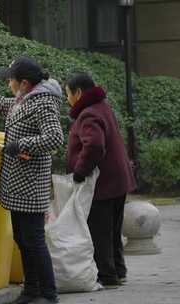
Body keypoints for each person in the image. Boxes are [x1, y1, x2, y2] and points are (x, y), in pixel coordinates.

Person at [0, 57, 63, 304]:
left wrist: (21, 144)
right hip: (18, 184)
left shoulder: (43, 103)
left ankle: (49, 294)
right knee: (22, 237)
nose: (8, 83)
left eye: (10, 79)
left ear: (24, 83)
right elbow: (3, 104)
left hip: (30, 183)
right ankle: (32, 290)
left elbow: (55, 138)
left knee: (34, 240)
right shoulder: (23, 100)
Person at [64, 72, 136, 288]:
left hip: (103, 183)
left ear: (77, 92)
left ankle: (107, 276)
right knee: (112, 231)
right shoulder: (102, 106)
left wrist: (80, 171)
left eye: (67, 93)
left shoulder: (88, 114)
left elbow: (94, 145)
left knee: (100, 231)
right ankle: (119, 272)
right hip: (117, 180)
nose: (67, 99)